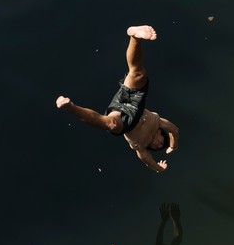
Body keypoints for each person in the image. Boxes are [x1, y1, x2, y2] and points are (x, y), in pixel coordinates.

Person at [56, 25, 179, 173]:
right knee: (138, 74)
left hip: (124, 122)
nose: (158, 146)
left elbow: (149, 163)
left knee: (111, 124)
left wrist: (159, 168)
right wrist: (172, 146)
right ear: (160, 133)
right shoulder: (159, 122)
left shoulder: (141, 148)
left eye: (157, 148)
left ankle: (70, 107)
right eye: (161, 143)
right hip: (136, 104)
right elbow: (174, 130)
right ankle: (135, 36)